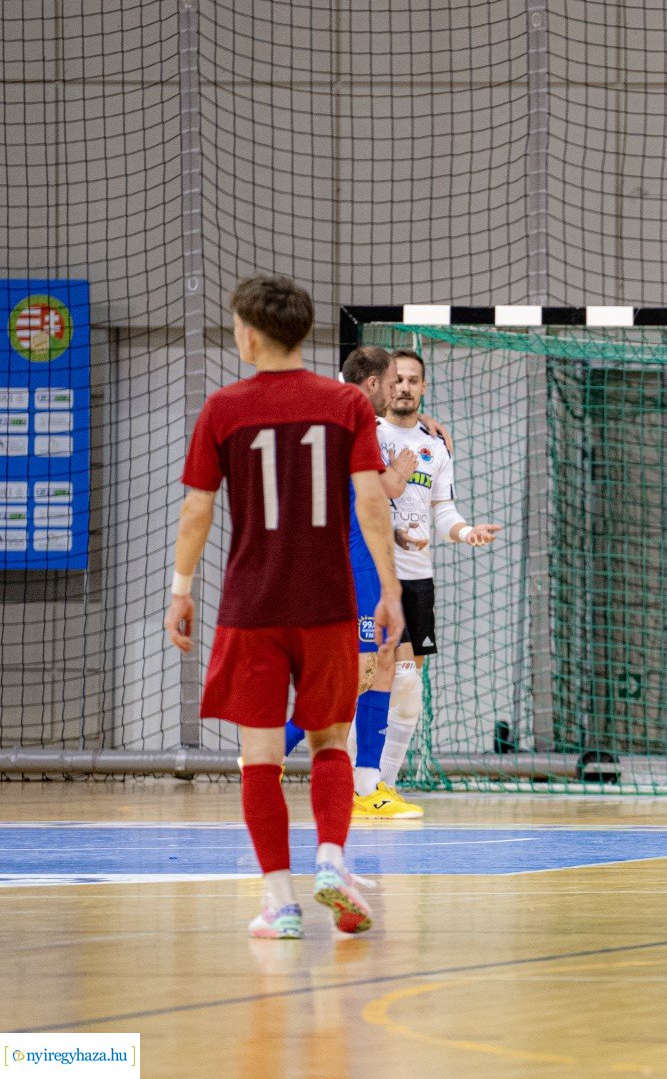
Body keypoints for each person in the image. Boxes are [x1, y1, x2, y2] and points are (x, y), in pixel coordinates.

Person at [164, 274, 403, 939]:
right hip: (328, 602)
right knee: (331, 741)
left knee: (261, 757)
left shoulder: (224, 407)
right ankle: (331, 859)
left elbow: (196, 509)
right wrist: (387, 589)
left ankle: (281, 902)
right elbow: (371, 500)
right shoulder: (345, 405)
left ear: (247, 332)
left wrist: (180, 590)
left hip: (252, 606)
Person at [280, 345, 424, 819]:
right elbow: (375, 489)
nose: (395, 390)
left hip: (327, 558)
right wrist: (398, 476)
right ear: (372, 385)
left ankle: (366, 783)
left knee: (377, 665)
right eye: (390, 381)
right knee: (356, 674)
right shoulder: (352, 421)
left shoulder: (323, 410)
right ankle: (276, 752)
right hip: (348, 563)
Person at [375, 348, 501, 809]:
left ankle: (381, 786)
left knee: (408, 685)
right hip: (372, 575)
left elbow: (442, 510)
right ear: (385, 385)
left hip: (418, 580)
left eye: (413, 380)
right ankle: (354, 781)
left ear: (423, 387)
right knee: (372, 677)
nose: (405, 387)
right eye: (398, 380)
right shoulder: (367, 433)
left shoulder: (436, 445)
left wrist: (467, 532)